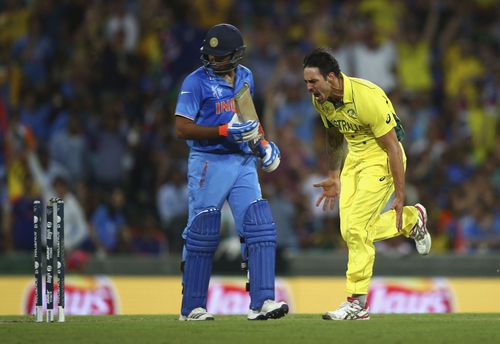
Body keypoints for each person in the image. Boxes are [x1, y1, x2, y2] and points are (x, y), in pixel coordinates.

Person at [303, 48, 431, 320]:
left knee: (358, 229)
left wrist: (400, 194)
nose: (309, 88)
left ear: (332, 77)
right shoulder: (321, 101)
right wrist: (334, 174)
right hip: (354, 159)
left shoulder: (366, 96)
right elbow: (334, 133)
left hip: (381, 158)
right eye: (306, 82)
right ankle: (412, 220)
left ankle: (357, 303)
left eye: (313, 82)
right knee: (349, 231)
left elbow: (393, 148)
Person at [174, 23, 288, 321]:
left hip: (242, 162)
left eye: (220, 56)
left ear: (236, 55)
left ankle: (263, 302)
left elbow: (249, 116)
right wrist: (223, 130)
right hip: (208, 161)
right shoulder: (195, 82)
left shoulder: (245, 76)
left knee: (259, 226)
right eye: (210, 55)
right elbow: (181, 127)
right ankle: (193, 308)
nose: (213, 60)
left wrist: (264, 145)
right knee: (203, 231)